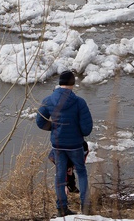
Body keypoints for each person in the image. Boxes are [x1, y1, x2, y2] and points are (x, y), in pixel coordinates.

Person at [37, 70, 93, 217]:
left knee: (60, 176)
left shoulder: (48, 100)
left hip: (58, 144)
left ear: (59, 83)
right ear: (73, 84)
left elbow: (40, 121)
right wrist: (76, 130)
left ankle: (62, 208)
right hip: (75, 145)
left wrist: (54, 128)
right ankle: (85, 207)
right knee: (81, 172)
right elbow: (87, 129)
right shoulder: (79, 102)